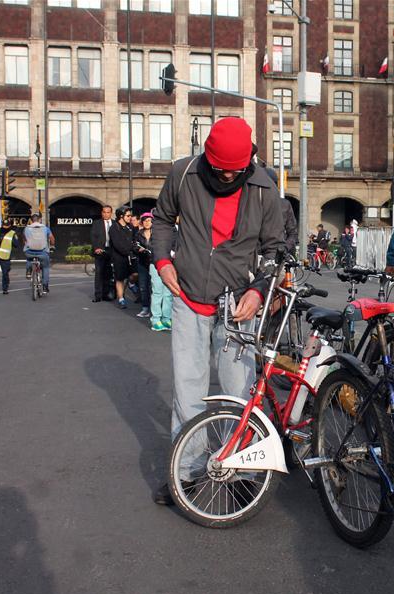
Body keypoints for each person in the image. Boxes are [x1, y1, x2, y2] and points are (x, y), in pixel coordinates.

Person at [150, 116, 285, 505]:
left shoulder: (264, 188)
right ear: (207, 156)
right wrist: (163, 260)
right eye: (221, 169)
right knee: (188, 390)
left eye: (235, 171)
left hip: (238, 302)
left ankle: (240, 470)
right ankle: (187, 473)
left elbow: (275, 248)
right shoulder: (183, 174)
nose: (227, 176)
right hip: (189, 296)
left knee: (238, 390)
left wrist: (259, 291)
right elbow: (162, 219)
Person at [109, 206, 135, 309]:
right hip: (119, 257)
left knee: (134, 274)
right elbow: (117, 244)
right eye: (128, 216)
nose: (130, 217)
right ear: (121, 216)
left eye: (131, 215)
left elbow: (134, 240)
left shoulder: (130, 227)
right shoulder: (114, 228)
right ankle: (121, 299)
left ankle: (131, 284)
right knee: (120, 278)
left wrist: (134, 249)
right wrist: (128, 251)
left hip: (130, 256)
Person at [23, 214, 55, 294]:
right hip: (42, 252)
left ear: (31, 220)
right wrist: (52, 246)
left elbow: (24, 239)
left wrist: (27, 244)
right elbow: (52, 238)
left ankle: (28, 271)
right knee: (45, 267)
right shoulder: (45, 228)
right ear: (39, 220)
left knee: (29, 258)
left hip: (30, 251)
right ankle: (45, 287)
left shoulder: (26, 228)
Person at [90, 205, 114, 302]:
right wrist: (96, 248)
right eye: (104, 212)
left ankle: (105, 294)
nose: (106, 214)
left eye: (108, 212)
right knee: (99, 273)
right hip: (100, 251)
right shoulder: (97, 223)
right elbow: (93, 236)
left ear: (111, 213)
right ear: (101, 213)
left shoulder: (115, 223)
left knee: (108, 274)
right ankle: (98, 295)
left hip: (111, 251)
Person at [133, 213, 154, 319]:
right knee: (143, 286)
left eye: (149, 220)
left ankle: (154, 309)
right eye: (145, 221)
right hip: (142, 262)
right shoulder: (138, 234)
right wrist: (138, 250)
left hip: (154, 262)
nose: (147, 223)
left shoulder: (156, 233)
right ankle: (145, 308)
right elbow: (134, 246)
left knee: (154, 287)